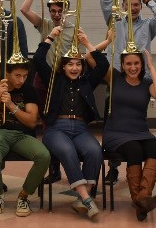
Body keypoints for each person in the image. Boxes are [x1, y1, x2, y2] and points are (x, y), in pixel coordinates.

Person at [99, 0, 156, 184]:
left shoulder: (148, 25)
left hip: (141, 80)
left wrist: (150, 1)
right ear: (123, 4)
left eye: (137, 4)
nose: (134, 7)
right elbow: (104, 0)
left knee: (136, 118)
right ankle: (113, 166)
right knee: (113, 115)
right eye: (130, 4)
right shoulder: (115, 21)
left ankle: (147, 161)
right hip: (118, 77)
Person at [34, 26, 109, 220]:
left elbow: (102, 66)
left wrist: (87, 44)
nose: (74, 68)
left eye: (78, 64)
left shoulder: (86, 82)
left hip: (81, 128)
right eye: (70, 64)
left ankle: (81, 199)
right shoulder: (54, 80)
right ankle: (86, 199)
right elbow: (38, 59)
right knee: (67, 151)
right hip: (56, 129)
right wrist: (50, 37)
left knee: (95, 151)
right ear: (63, 66)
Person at [19, 0, 75, 184]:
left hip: (62, 79)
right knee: (45, 123)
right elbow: (24, 10)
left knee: (58, 122)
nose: (56, 14)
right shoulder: (45, 25)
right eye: (53, 10)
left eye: (60, 11)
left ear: (65, 11)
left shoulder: (73, 28)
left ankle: (65, 161)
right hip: (42, 78)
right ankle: (53, 167)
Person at [102, 48, 156, 221]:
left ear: (142, 64)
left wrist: (152, 66)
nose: (133, 67)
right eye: (128, 63)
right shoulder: (114, 78)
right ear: (122, 65)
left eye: (136, 63)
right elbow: (93, 60)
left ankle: (142, 198)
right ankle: (140, 200)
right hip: (116, 133)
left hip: (140, 131)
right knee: (134, 150)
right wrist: (102, 42)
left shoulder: (146, 83)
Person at [0, 60, 50, 217]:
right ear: (6, 74)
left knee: (44, 156)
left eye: (25, 76)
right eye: (17, 75)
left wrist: (11, 105)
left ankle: (24, 196)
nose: (21, 80)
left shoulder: (29, 90)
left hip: (22, 135)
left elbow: (32, 122)